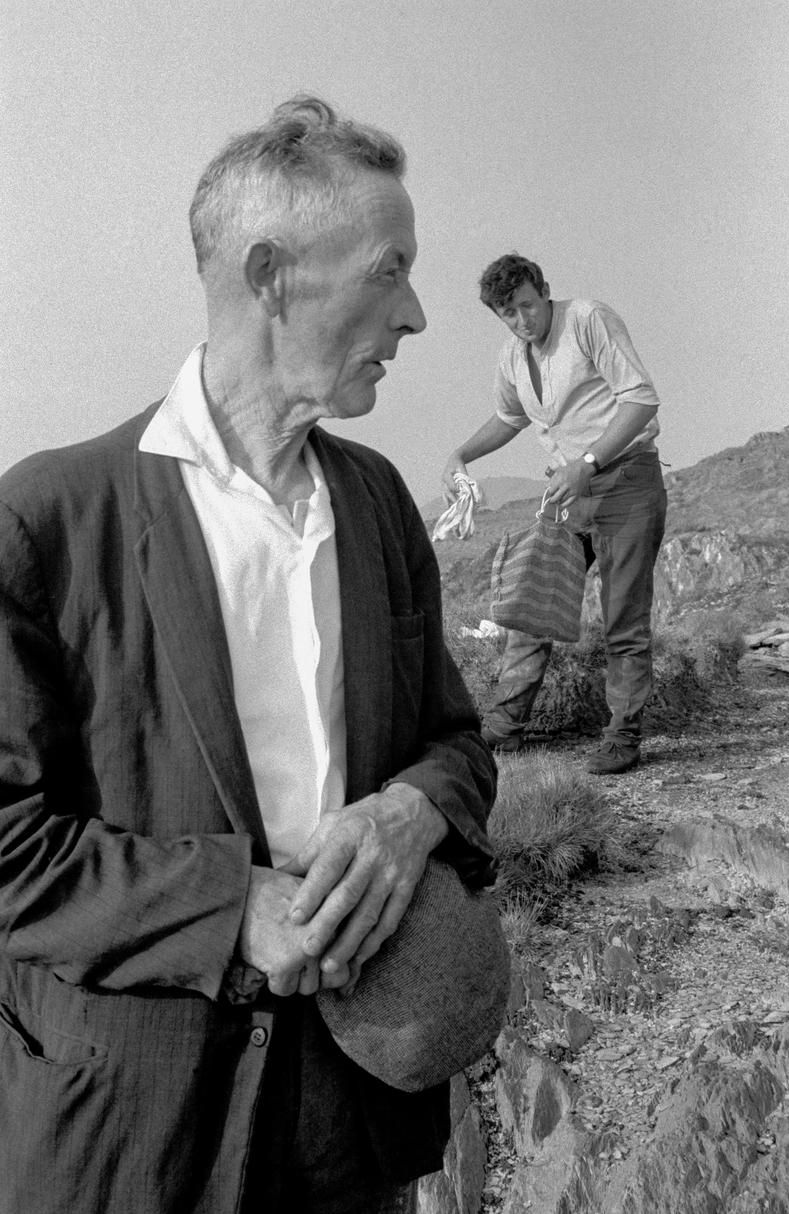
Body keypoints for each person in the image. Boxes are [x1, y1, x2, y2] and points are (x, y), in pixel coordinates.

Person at [0, 97, 498, 1214]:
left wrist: (411, 809)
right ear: (271, 275)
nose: (416, 313)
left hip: (347, 1131)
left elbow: (455, 741)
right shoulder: (47, 519)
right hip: (132, 1137)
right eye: (391, 270)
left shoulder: (375, 504)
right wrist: (233, 906)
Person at [442, 253, 667, 774]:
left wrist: (588, 462)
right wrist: (462, 455)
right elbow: (508, 417)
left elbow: (641, 399)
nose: (522, 321)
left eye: (526, 305)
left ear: (543, 290)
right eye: (509, 314)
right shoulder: (513, 355)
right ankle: (503, 728)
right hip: (569, 493)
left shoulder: (588, 319)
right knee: (532, 605)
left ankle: (622, 737)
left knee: (623, 620)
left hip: (626, 483)